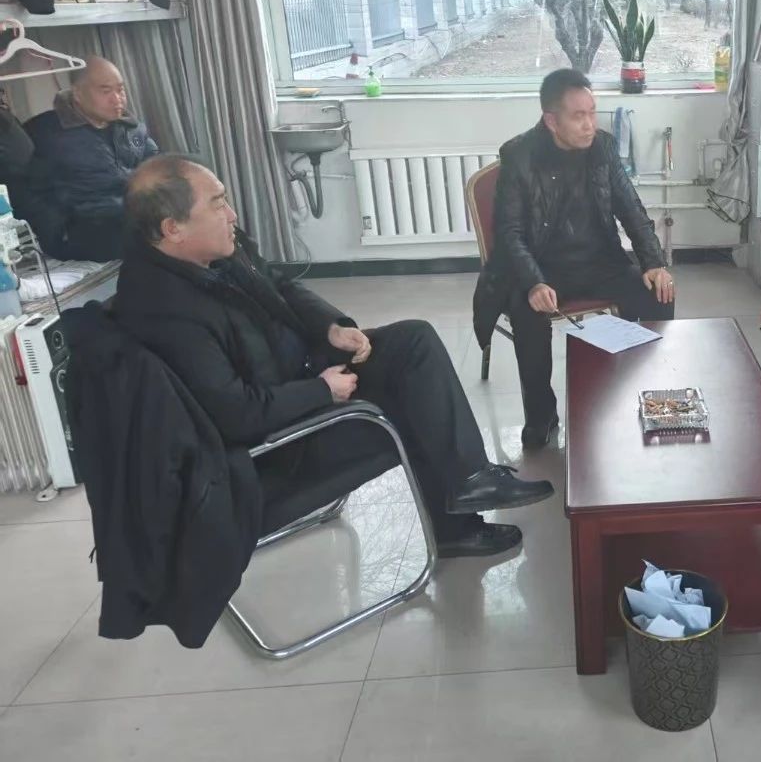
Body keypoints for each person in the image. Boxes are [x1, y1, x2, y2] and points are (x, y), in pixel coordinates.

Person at [115, 156, 555, 558]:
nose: (231, 215)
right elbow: (238, 415)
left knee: (414, 341)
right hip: (280, 448)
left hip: (300, 376)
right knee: (415, 402)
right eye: (217, 204)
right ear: (173, 228)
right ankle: (456, 526)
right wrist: (321, 391)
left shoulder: (214, 251)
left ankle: (469, 481)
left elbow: (280, 286)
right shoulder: (165, 311)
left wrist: (331, 326)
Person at [472, 69, 675, 450]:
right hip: (544, 267)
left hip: (600, 262)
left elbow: (631, 208)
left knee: (658, 291)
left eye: (592, 112)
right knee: (526, 311)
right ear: (551, 121)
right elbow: (510, 233)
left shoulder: (603, 148)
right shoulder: (519, 155)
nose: (589, 125)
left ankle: (646, 392)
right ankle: (541, 416)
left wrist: (654, 262)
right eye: (578, 116)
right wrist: (534, 281)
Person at [18, 57, 158, 260]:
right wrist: (57, 233)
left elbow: (158, 166)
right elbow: (28, 191)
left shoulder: (131, 127)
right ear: (78, 94)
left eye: (120, 90)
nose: (117, 99)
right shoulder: (45, 132)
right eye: (106, 91)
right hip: (81, 228)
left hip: (131, 215)